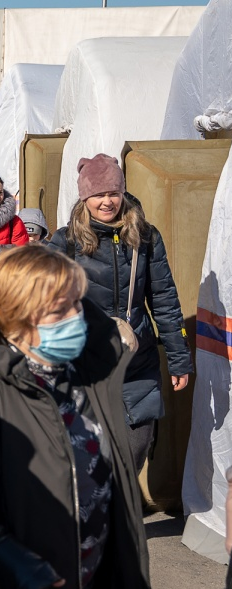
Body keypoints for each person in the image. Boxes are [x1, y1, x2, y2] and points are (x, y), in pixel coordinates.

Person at [0, 246, 154, 589]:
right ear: (16, 317)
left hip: (93, 586)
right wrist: (16, 573)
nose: (78, 317)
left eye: (78, 302)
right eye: (61, 310)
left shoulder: (84, 372)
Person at [49, 154, 192, 471]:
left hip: (136, 366)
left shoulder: (146, 236)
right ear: (85, 196)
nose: (107, 201)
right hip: (84, 368)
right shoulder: (65, 242)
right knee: (90, 463)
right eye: (98, 194)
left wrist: (179, 357)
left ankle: (118, 514)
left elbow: (164, 299)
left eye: (113, 192)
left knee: (132, 454)